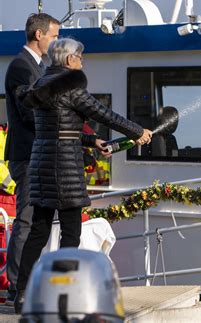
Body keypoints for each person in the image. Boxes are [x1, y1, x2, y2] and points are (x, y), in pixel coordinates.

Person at [14, 38, 153, 313]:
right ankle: (62, 294)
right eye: (80, 58)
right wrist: (138, 131)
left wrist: (92, 143)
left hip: (42, 161)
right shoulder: (71, 86)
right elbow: (105, 115)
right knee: (71, 232)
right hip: (65, 165)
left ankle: (22, 295)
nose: (82, 62)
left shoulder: (41, 85)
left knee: (38, 232)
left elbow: (59, 126)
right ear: (69, 61)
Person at [4, 13, 60, 305]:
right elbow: (30, 111)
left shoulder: (39, 66)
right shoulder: (21, 67)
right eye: (53, 36)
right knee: (26, 220)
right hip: (27, 155)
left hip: (39, 153)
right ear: (39, 35)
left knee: (36, 221)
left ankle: (25, 282)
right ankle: (17, 286)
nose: (56, 42)